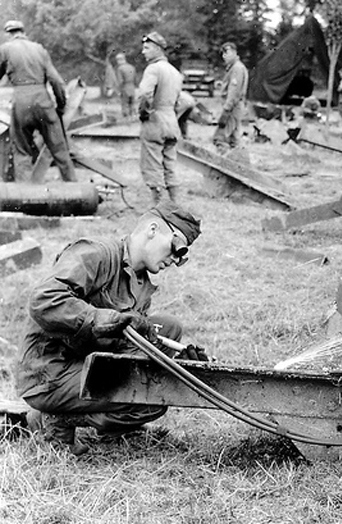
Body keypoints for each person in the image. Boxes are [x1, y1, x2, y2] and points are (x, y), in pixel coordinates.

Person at [16, 201, 207, 455]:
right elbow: (43, 300)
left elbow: (128, 346)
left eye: (181, 256)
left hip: (87, 364)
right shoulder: (96, 254)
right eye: (176, 248)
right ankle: (55, 418)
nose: (174, 259)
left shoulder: (141, 285)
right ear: (152, 229)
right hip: (50, 372)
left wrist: (174, 364)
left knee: (168, 329)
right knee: (147, 403)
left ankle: (106, 419)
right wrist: (107, 319)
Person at [0, 20, 75, 181]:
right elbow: (56, 80)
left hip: (21, 101)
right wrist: (60, 106)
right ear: (23, 32)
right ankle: (75, 190)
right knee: (61, 151)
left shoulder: (5, 49)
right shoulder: (39, 49)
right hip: (43, 100)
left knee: (22, 151)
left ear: (9, 34)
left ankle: (25, 198)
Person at [138, 31, 183, 204]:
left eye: (147, 48)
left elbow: (144, 95)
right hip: (171, 120)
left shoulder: (153, 69)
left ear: (157, 49)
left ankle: (158, 208)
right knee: (170, 165)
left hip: (155, 121)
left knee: (153, 165)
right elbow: (180, 100)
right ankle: (175, 206)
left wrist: (144, 115)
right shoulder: (174, 72)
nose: (143, 52)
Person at [213, 42, 248, 153]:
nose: (224, 56)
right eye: (222, 53)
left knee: (222, 137)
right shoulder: (234, 68)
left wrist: (226, 109)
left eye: (226, 52)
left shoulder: (237, 68)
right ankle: (240, 162)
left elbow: (234, 92)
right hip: (235, 106)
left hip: (233, 107)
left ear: (234, 52)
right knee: (234, 137)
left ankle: (223, 163)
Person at [115, 52, 136, 118]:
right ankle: (133, 117)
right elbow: (135, 78)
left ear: (119, 60)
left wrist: (119, 91)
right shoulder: (132, 67)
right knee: (132, 103)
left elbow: (120, 81)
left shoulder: (120, 68)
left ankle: (126, 118)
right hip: (132, 87)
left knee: (125, 104)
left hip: (125, 87)